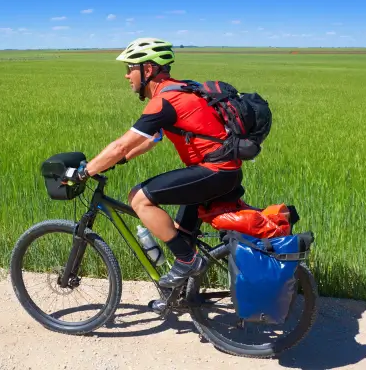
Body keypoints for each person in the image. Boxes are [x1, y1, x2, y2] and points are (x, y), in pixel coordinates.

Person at [65, 37, 244, 289]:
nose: (127, 76)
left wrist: (85, 172)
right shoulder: (181, 88)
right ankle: (184, 295)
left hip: (214, 172)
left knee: (138, 198)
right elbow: (151, 139)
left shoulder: (164, 102)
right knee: (181, 233)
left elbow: (121, 144)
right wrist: (121, 160)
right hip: (223, 172)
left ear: (147, 70)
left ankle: (188, 262)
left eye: (130, 68)